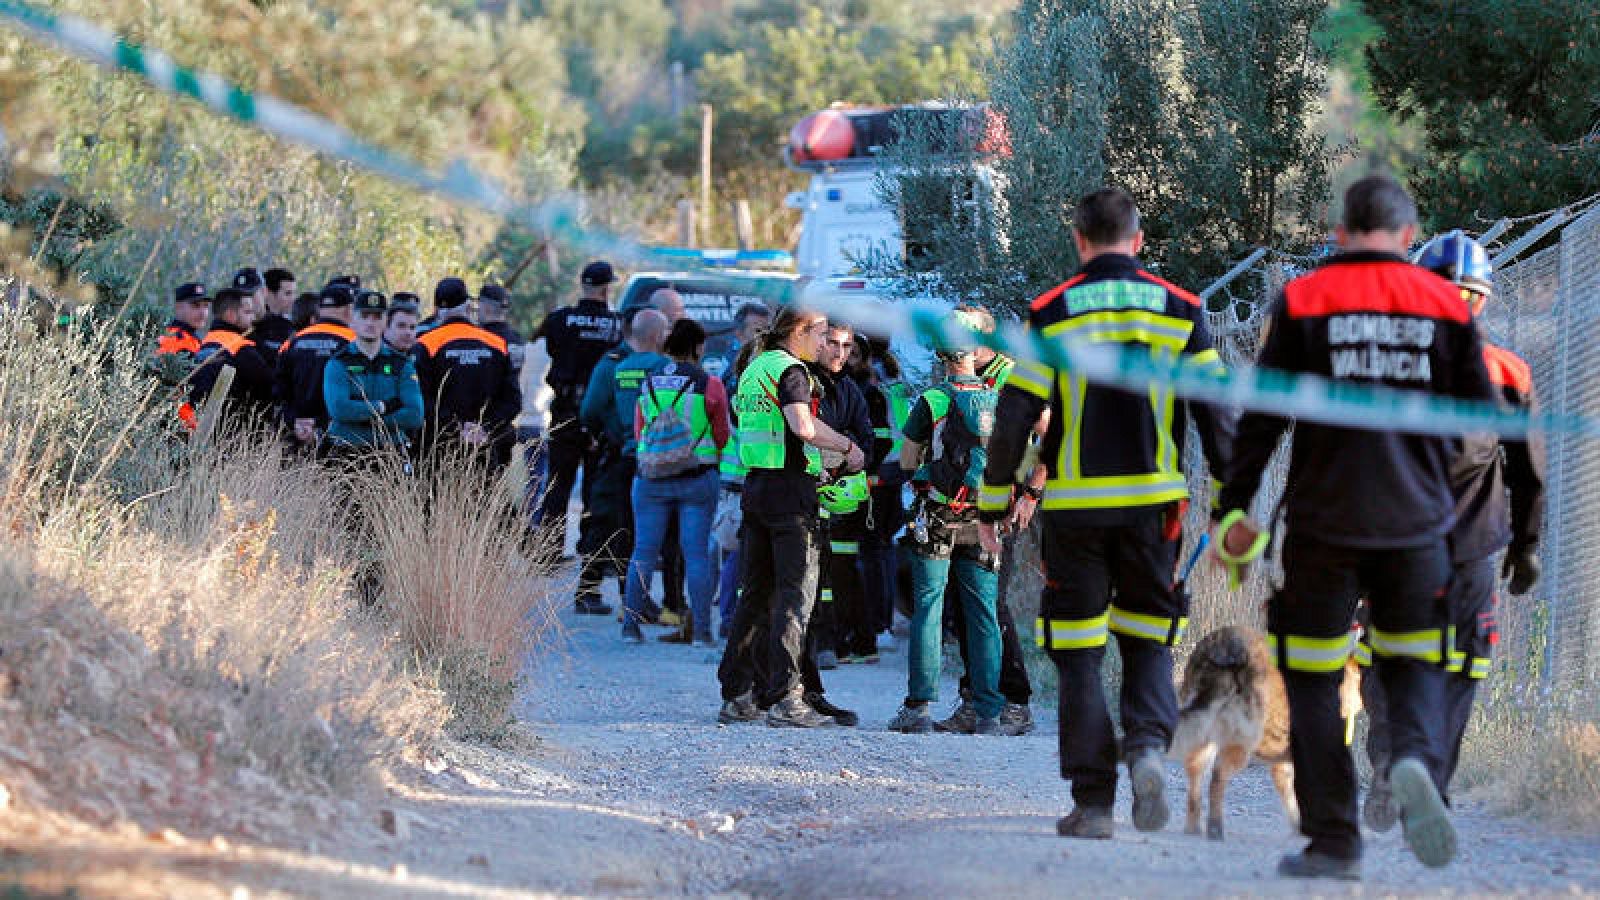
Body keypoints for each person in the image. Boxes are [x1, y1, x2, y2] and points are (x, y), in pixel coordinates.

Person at [1214, 176, 1496, 879]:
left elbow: (1262, 421)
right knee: (1416, 664)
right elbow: (1482, 429)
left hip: (1323, 528)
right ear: (1408, 237)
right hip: (1417, 530)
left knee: (1312, 682)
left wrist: (1234, 512)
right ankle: (1412, 762)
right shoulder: (1444, 305)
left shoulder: (1304, 300)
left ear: (1340, 233)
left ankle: (1334, 841)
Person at [977, 188, 1234, 840]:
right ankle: (1147, 748)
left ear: (1079, 241)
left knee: (1079, 652)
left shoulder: (1051, 311)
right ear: (1138, 240)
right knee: (1149, 638)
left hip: (1076, 511)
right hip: (1156, 508)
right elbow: (1215, 409)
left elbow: (1013, 415)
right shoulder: (1183, 308)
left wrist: (992, 498)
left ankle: (1093, 803)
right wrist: (1230, 499)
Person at [1360, 230, 1546, 831]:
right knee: (1463, 669)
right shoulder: (1508, 371)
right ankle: (1431, 781)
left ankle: (1390, 766)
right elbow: (1529, 473)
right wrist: (1526, 547)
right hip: (1472, 551)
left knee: (1382, 660)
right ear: (1483, 300)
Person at [716, 307, 865, 729]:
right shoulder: (792, 370)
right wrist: (847, 447)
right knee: (793, 597)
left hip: (757, 489)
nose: (824, 343)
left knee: (755, 595)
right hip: (789, 493)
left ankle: (737, 694)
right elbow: (802, 425)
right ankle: (785, 698)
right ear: (799, 332)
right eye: (820, 334)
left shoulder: (754, 366)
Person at [889, 311, 1019, 737]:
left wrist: (926, 473)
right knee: (983, 613)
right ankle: (989, 712)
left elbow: (908, 461)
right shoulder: (999, 397)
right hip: (985, 519)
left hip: (940, 515)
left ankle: (919, 707)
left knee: (929, 609)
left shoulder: (934, 400)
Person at [933, 306, 1039, 736]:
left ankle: (1015, 701)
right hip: (961, 509)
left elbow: (1048, 437)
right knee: (962, 605)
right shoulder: (960, 373)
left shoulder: (1011, 378)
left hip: (1001, 506)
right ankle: (975, 699)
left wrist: (1031, 493)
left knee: (989, 604)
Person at [620, 318, 729, 646]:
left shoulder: (649, 382)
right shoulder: (709, 384)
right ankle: (701, 632)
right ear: (698, 347)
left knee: (643, 551)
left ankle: (630, 627)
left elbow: (640, 431)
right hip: (696, 478)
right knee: (696, 554)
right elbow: (722, 433)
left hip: (650, 478)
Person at [572, 309, 665, 617]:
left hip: (624, 454)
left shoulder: (618, 364)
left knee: (626, 527)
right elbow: (590, 409)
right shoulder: (616, 363)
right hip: (623, 455)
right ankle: (589, 591)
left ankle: (632, 597)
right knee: (609, 525)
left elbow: (590, 410)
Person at [532, 262, 623, 542]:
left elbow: (541, 347)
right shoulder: (618, 324)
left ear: (583, 286)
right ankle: (592, 549)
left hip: (565, 411)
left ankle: (549, 549)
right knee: (596, 487)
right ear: (607, 288)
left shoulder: (559, 319)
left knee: (558, 484)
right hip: (603, 416)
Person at [808, 324, 877, 672]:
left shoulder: (849, 390)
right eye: (833, 343)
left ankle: (828, 641)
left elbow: (867, 443)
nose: (839, 353)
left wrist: (838, 457)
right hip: (799, 495)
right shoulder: (801, 381)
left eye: (847, 346)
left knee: (835, 575)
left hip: (838, 499)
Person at [411, 277, 521, 470]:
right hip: (484, 448)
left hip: (438, 451)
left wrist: (456, 429)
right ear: (468, 305)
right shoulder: (496, 344)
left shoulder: (425, 344)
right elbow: (512, 401)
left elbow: (421, 400)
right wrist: (484, 427)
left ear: (437, 310)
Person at [323, 289, 424, 459]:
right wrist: (382, 407)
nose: (371, 323)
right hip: (347, 454)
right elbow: (339, 409)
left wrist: (360, 414)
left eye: (377, 317)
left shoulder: (402, 365)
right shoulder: (339, 363)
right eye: (364, 316)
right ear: (353, 321)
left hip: (390, 454)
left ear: (385, 322)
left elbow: (414, 415)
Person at [275, 281, 356, 453]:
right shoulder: (354, 343)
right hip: (339, 438)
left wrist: (295, 421)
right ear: (349, 309)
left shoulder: (291, 342)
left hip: (295, 436)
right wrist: (320, 423)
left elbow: (279, 392)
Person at [188, 287, 275, 428]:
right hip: (235, 432)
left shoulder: (205, 343)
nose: (253, 318)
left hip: (202, 428)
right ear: (230, 316)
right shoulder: (239, 347)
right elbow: (270, 385)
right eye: (248, 312)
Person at [476, 283, 528, 471]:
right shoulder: (517, 339)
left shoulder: (482, 339)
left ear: (487, 306)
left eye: (479, 304)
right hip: (507, 421)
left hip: (482, 425)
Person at [152, 281, 211, 429]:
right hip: (175, 425)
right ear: (178, 307)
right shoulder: (171, 338)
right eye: (195, 305)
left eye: (206, 306)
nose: (203, 312)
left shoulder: (194, 339)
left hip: (185, 423)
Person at [703, 301, 771, 383]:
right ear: (739, 332)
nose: (765, 335)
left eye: (767, 329)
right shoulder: (722, 355)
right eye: (758, 330)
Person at [248, 267, 297, 366]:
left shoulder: (292, 328)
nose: (293, 299)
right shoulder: (248, 324)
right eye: (288, 293)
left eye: (293, 293)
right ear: (268, 293)